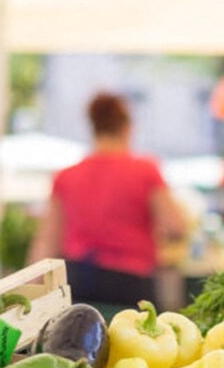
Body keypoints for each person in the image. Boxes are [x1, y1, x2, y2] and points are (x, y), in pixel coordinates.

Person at [30, 91, 186, 306]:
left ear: (93, 128)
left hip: (79, 279)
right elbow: (175, 226)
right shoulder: (145, 171)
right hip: (131, 282)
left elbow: (47, 241)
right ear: (127, 128)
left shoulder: (67, 176)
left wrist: (32, 293)